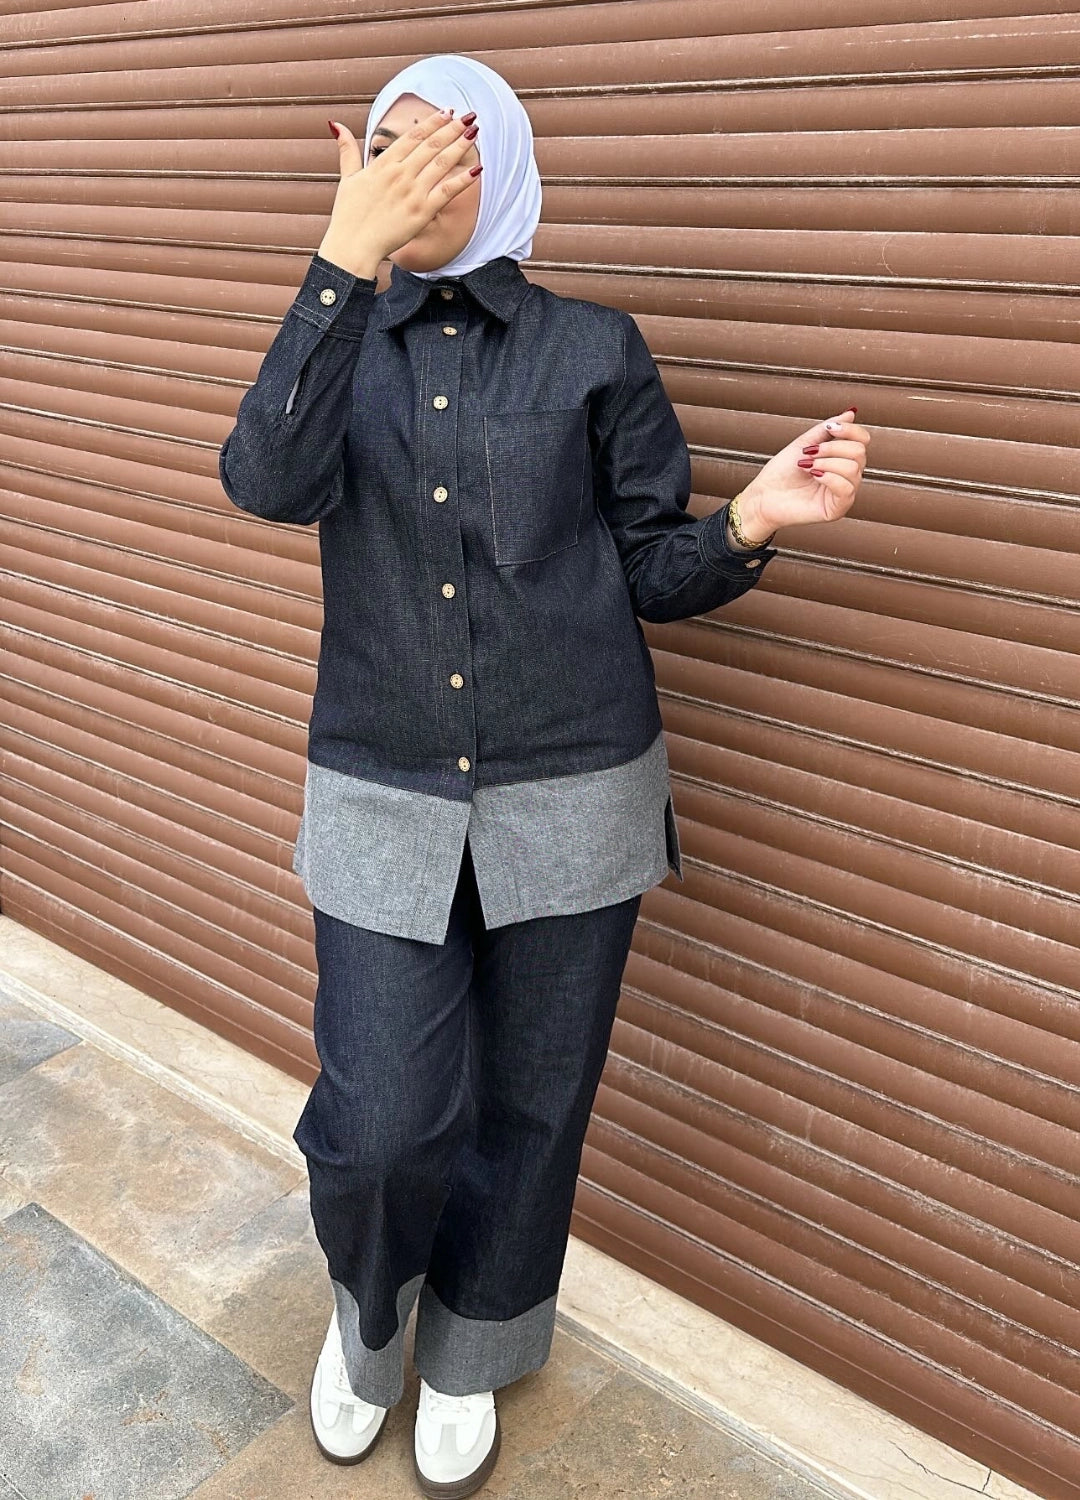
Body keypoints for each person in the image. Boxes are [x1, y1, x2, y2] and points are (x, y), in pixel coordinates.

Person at [218, 52, 869, 1499]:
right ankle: (367, 1318)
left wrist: (751, 522)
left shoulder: (595, 349)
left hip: (578, 795)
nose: (408, 167)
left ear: (497, 164)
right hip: (383, 792)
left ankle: (473, 1348)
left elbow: (651, 568)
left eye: (440, 144)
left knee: (531, 1106)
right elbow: (263, 479)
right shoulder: (341, 340)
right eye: (383, 145)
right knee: (380, 1118)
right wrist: (338, 266)